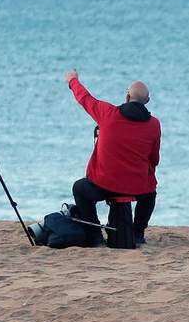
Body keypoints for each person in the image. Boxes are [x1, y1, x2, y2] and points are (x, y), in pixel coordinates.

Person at [64, 69, 161, 246]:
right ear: (147, 102)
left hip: (104, 184)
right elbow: (154, 159)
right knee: (150, 193)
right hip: (136, 185)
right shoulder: (153, 124)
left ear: (127, 98)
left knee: (79, 189)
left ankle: (95, 236)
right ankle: (138, 234)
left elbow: (85, 99)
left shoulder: (107, 113)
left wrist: (73, 81)